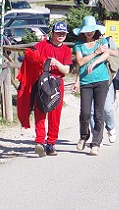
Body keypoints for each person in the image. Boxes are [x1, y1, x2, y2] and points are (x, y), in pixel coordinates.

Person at [16, 21, 72, 156]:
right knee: (40, 112)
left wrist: (56, 63)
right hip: (42, 84)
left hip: (57, 85)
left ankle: (51, 144)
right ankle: (40, 142)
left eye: (63, 33)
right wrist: (40, 60)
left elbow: (66, 70)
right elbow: (30, 54)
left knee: (55, 115)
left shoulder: (66, 50)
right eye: (58, 33)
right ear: (52, 33)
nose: (60, 35)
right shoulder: (42, 45)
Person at [72, 15, 111, 156]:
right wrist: (95, 53)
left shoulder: (102, 41)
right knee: (85, 113)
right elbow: (80, 62)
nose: (90, 32)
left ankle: (96, 144)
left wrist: (94, 62)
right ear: (83, 31)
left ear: (96, 30)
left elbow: (106, 55)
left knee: (99, 114)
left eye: (92, 30)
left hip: (101, 80)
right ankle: (84, 136)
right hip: (86, 82)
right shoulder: (79, 45)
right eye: (87, 30)